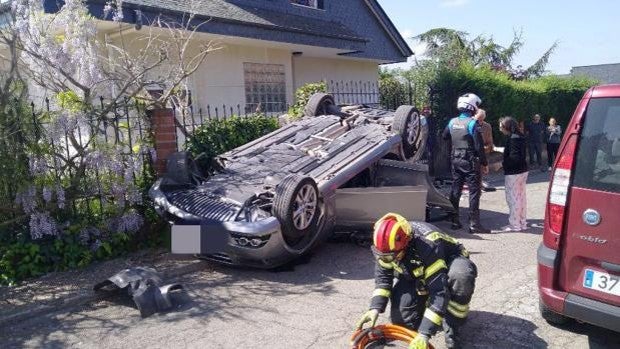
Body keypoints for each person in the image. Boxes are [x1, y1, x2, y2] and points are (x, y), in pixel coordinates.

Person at [356, 213, 477, 349]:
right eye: (383, 257)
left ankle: (453, 327)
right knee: (401, 322)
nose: (386, 260)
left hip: (449, 262)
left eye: (390, 257)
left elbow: (439, 293)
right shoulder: (386, 248)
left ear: (405, 245)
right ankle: (425, 303)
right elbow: (383, 280)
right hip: (417, 270)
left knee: (460, 275)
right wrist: (375, 308)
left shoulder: (428, 245)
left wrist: (424, 334)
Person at [442, 93, 491, 234]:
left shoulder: (452, 121)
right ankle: (474, 224)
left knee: (455, 189)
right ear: (472, 107)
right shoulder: (472, 123)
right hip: (469, 161)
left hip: (455, 159)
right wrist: (484, 163)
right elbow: (479, 147)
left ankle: (454, 221)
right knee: (474, 192)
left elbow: (445, 136)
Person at [498, 117, 528, 231]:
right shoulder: (520, 136)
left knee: (513, 198)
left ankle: (514, 224)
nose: (500, 129)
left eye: (501, 127)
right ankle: (522, 222)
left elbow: (514, 157)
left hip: (513, 173)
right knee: (521, 197)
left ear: (507, 127)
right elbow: (514, 152)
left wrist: (501, 164)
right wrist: (497, 148)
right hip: (523, 171)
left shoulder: (513, 139)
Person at [473, 109, 496, 192]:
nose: (480, 121)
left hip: (483, 150)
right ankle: (476, 185)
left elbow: (490, 140)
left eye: (482, 119)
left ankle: (479, 184)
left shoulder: (487, 126)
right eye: (479, 119)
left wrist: (489, 146)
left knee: (482, 168)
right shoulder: (471, 124)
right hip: (472, 150)